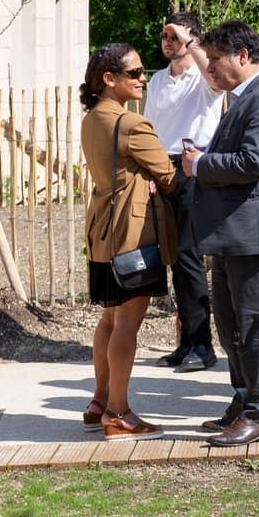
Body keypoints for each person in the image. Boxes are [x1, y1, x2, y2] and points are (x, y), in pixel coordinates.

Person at [183, 20, 259, 448]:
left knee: (256, 325)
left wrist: (199, 164)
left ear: (243, 56)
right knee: (232, 323)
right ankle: (243, 399)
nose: (210, 67)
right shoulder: (246, 97)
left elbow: (253, 162)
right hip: (237, 233)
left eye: (215, 59)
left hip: (258, 233)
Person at [79, 43, 178, 440]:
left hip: (102, 230)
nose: (143, 79)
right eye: (135, 73)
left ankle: (99, 401)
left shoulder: (92, 119)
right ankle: (119, 413)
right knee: (128, 324)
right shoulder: (132, 125)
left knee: (108, 319)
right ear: (109, 79)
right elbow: (169, 176)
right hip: (133, 235)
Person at [142, 10, 224, 372]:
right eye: (165, 35)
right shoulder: (158, 80)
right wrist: (148, 169)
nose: (168, 41)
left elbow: (218, 80)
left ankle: (204, 345)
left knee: (189, 259)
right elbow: (148, 128)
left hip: (193, 166)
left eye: (175, 36)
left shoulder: (205, 78)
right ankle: (187, 341)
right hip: (161, 167)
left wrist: (189, 39)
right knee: (173, 257)